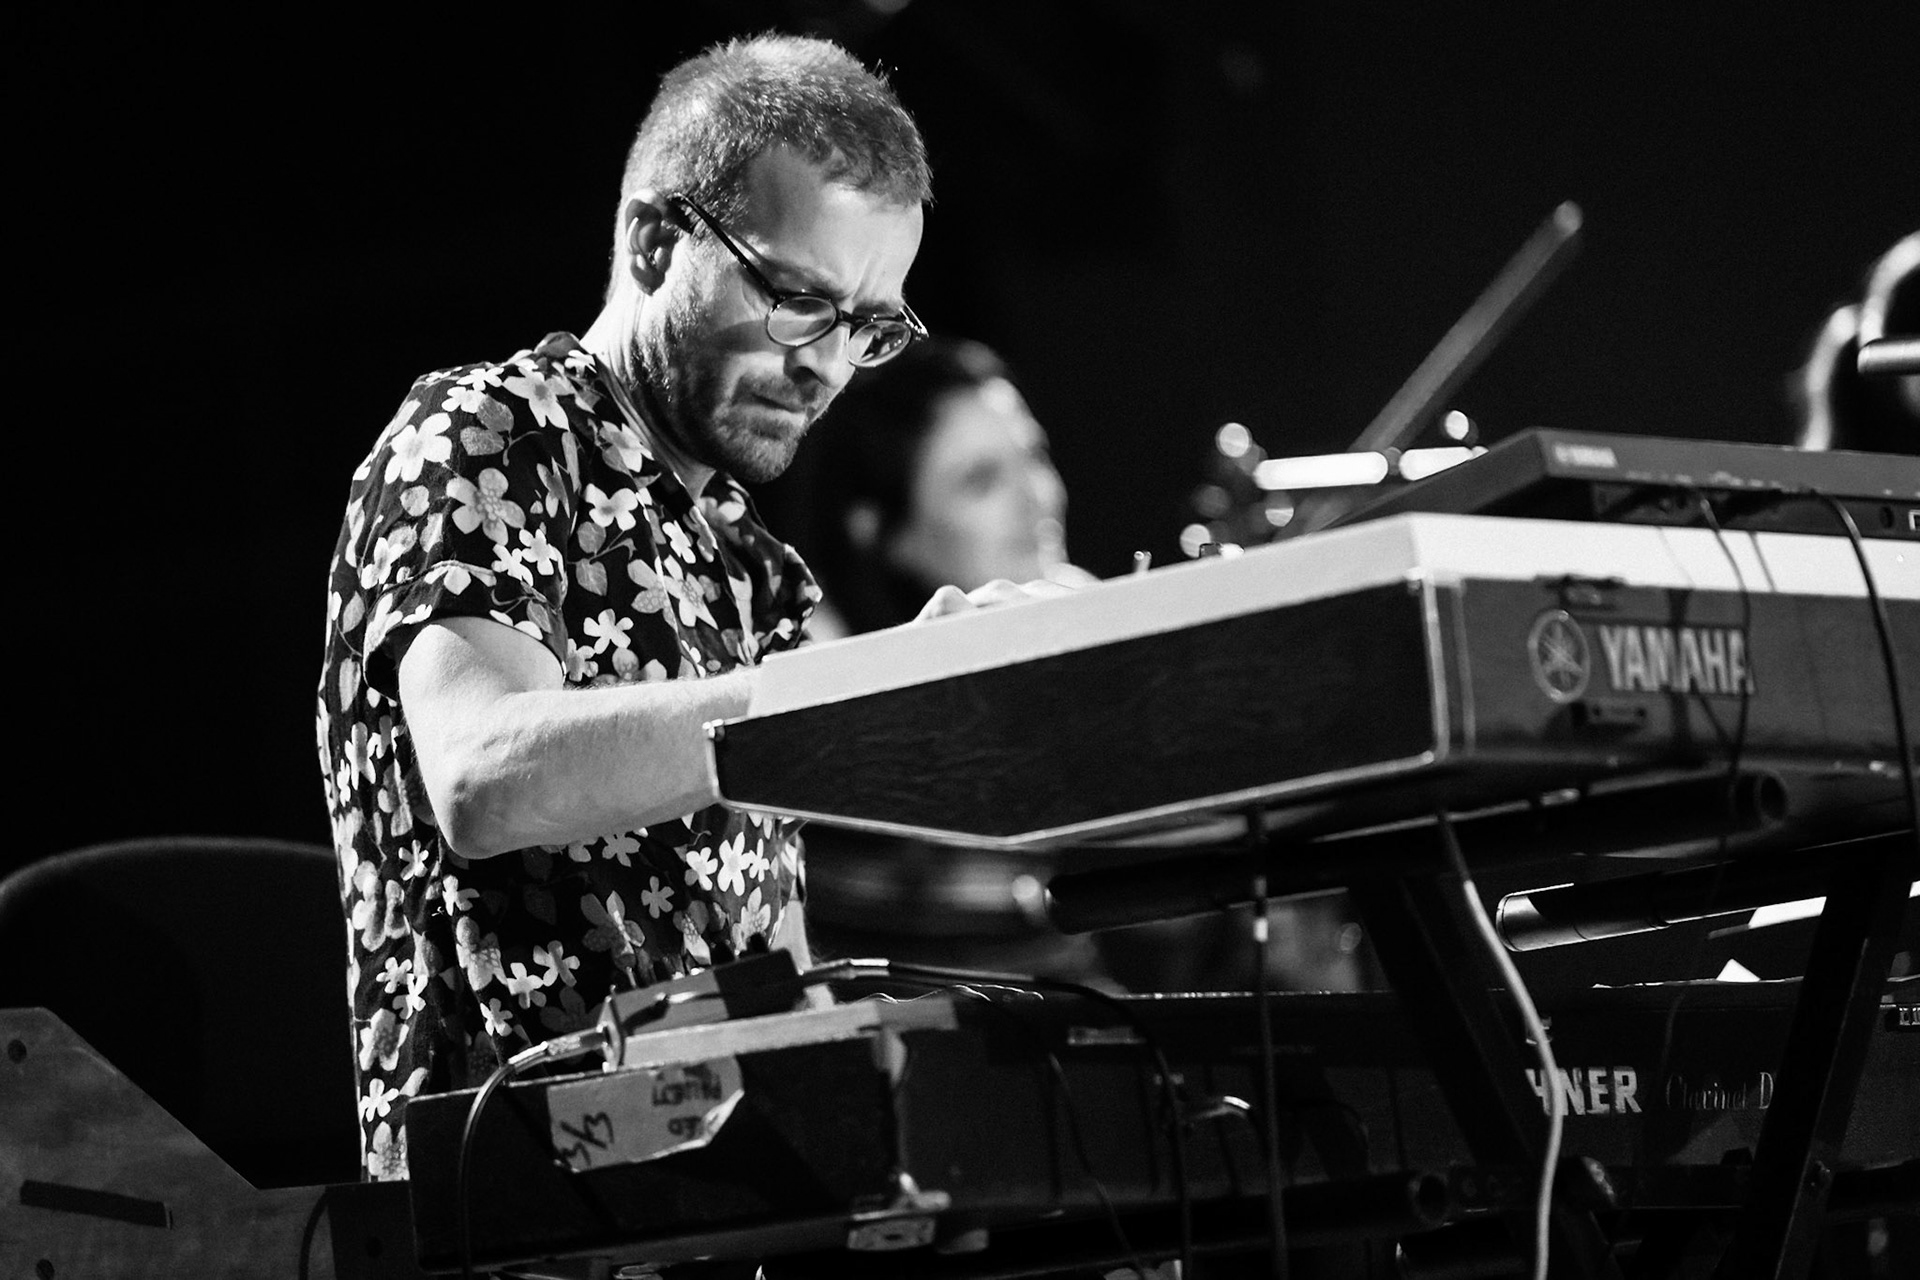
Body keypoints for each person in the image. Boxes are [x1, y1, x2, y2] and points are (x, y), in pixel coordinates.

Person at [315, 33, 976, 1183]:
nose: (826, 365)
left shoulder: (751, 562)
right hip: (516, 1197)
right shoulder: (491, 437)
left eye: (867, 325)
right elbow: (483, 776)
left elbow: (773, 953)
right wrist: (848, 693)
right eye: (796, 299)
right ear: (655, 239)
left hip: (720, 1185)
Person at [771, 336, 1113, 984]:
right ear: (876, 529)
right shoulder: (809, 674)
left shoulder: (1078, 609)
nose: (1038, 498)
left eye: (1034, 456)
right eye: (980, 480)